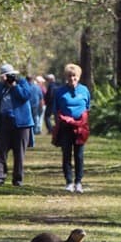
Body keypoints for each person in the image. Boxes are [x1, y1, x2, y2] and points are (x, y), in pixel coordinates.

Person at [0, 63, 36, 186]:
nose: (7, 78)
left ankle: (18, 179)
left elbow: (25, 96)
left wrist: (14, 85)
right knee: (1, 151)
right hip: (4, 123)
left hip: (21, 124)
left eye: (9, 75)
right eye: (4, 76)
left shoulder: (22, 83)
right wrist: (1, 84)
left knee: (19, 153)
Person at [52, 63, 91, 193]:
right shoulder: (59, 92)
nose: (72, 78)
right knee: (66, 155)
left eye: (74, 76)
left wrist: (81, 120)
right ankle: (69, 182)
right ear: (66, 77)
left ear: (78, 77)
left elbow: (88, 106)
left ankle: (78, 182)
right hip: (65, 127)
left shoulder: (84, 90)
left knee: (79, 155)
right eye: (69, 76)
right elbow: (55, 109)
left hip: (80, 128)